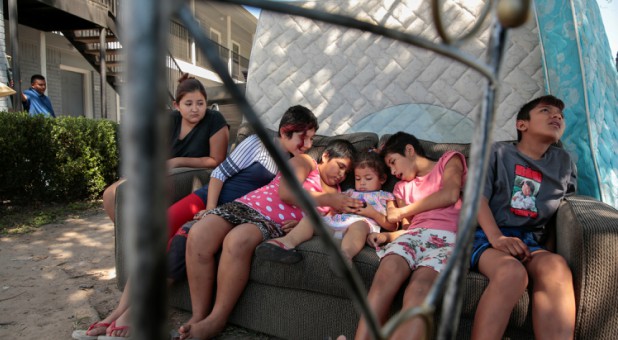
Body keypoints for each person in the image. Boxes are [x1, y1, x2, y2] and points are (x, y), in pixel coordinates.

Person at [176, 139, 363, 340]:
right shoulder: (306, 162)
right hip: (247, 204)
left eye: (346, 172)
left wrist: (304, 225)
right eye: (340, 166)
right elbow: (286, 192)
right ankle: (198, 315)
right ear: (326, 156)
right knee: (199, 234)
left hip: (272, 221)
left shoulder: (340, 195)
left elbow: (329, 224)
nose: (341, 175)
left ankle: (216, 320)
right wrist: (327, 200)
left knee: (237, 241)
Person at [469, 95, 576, 340]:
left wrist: (548, 250)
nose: (556, 116)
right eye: (546, 111)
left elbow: (561, 213)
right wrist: (497, 238)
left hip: (530, 243)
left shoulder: (564, 162)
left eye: (560, 114)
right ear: (522, 124)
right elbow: (476, 198)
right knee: (512, 273)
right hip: (486, 236)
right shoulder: (497, 152)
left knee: (555, 266)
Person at [354, 132, 467, 340]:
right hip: (413, 236)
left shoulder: (449, 160)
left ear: (409, 150)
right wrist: (387, 237)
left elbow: (450, 194)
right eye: (389, 168)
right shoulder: (401, 188)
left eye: (393, 162)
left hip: (448, 238)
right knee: (386, 273)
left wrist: (402, 212)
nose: (394, 171)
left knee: (419, 290)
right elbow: (407, 229)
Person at [166, 104, 319, 241]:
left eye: (311, 139)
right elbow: (219, 173)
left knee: (179, 243)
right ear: (285, 132)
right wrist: (209, 208)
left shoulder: (295, 164)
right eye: (303, 138)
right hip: (207, 199)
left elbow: (293, 200)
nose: (308, 145)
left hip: (234, 213)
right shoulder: (258, 143)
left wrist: (300, 224)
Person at [101, 73, 229, 225]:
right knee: (111, 194)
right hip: (164, 173)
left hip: (196, 177)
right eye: (188, 104)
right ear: (177, 105)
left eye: (200, 103)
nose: (195, 109)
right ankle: (132, 240)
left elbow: (216, 160)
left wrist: (177, 162)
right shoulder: (170, 120)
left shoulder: (214, 119)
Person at [254, 150, 397, 264]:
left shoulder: (385, 197)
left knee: (359, 225)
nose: (362, 183)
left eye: (368, 178)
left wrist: (373, 213)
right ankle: (284, 243)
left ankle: (344, 256)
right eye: (358, 179)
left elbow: (392, 225)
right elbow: (332, 212)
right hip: (335, 225)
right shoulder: (349, 193)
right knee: (312, 218)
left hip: (359, 227)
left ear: (383, 179)